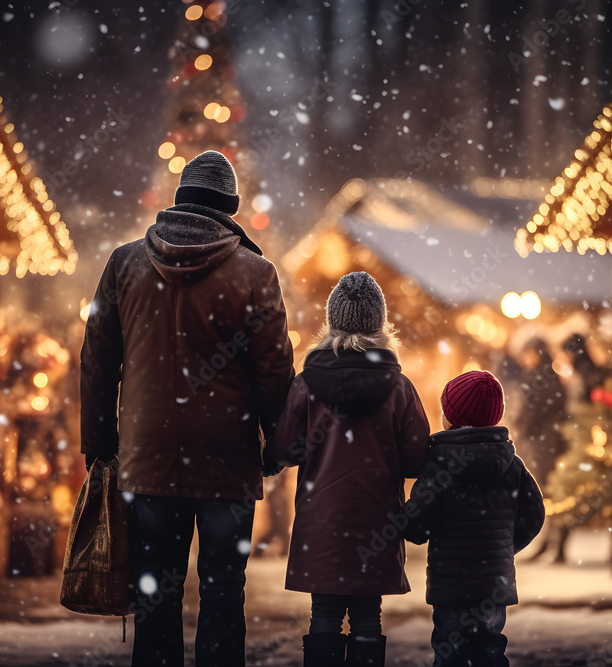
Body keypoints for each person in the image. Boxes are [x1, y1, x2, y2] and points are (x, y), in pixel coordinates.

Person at [80, 150, 295, 667]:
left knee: (157, 595)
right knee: (223, 595)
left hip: (146, 461)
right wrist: (275, 450)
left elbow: (96, 364)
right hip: (228, 461)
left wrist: (103, 449)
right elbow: (274, 372)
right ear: (231, 209)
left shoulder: (124, 264)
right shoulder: (255, 273)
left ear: (179, 201)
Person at [268, 271, 430, 667]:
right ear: (379, 324)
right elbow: (416, 461)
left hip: (320, 519)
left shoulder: (306, 384)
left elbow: (285, 449)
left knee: (323, 614)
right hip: (376, 520)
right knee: (366, 616)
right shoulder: (399, 388)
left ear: (332, 321)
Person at [402, 370, 545, 667]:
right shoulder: (512, 464)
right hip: (494, 584)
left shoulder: (438, 463)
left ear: (449, 417)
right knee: (490, 649)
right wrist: (503, 546)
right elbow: (535, 515)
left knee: (450, 650)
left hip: (450, 585)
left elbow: (417, 527)